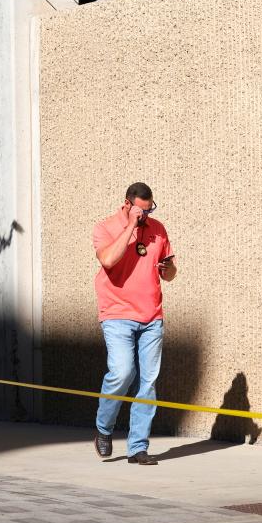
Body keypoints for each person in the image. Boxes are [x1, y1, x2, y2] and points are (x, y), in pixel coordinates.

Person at [91, 182, 176, 466]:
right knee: (122, 372)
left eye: (150, 209)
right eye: (141, 210)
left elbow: (171, 271)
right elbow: (108, 260)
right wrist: (130, 226)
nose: (146, 216)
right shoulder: (105, 228)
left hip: (152, 316)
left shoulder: (159, 229)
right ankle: (104, 428)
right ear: (127, 204)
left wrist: (169, 270)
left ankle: (138, 447)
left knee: (148, 383)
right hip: (117, 315)